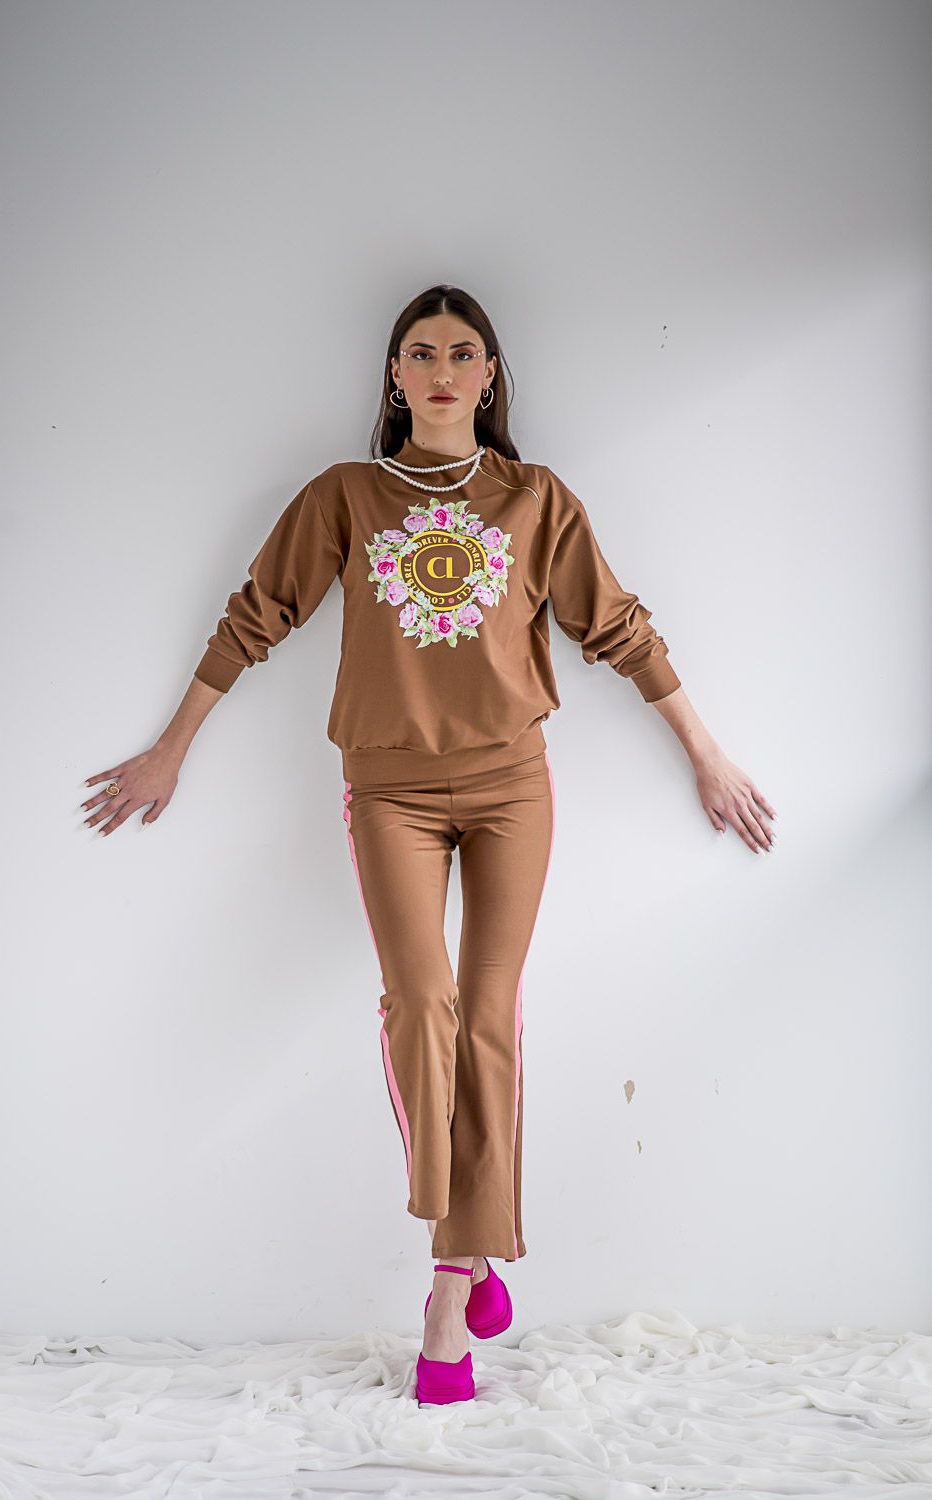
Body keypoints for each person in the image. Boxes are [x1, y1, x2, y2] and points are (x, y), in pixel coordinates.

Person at [80, 283, 777, 1405]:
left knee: (489, 1014)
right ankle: (474, 1251)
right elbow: (257, 614)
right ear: (394, 377)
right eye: (420, 353)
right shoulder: (344, 496)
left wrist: (705, 753)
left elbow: (615, 626)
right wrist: (171, 749)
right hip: (388, 789)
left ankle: (450, 1292)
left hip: (511, 787)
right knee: (420, 1004)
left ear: (488, 374)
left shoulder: (536, 499)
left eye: (461, 352)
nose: (441, 371)